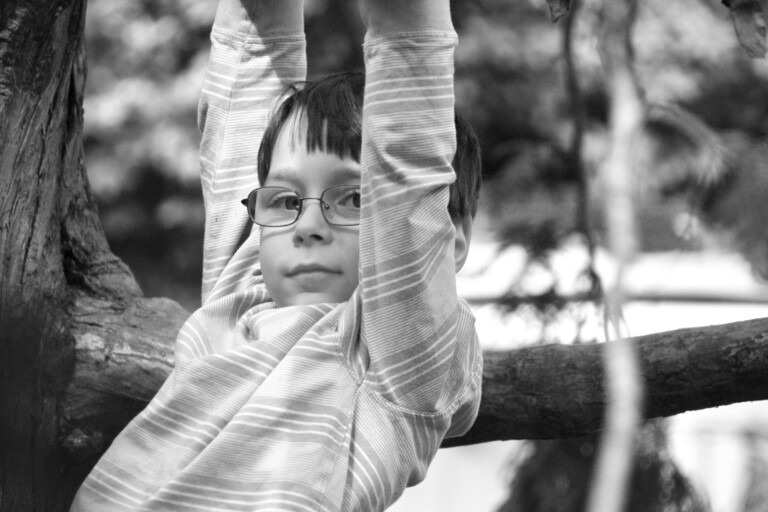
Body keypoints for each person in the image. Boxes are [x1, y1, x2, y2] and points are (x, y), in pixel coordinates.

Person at [70, 0, 482, 510]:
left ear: (448, 243)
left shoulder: (394, 356)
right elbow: (248, 77)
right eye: (286, 200)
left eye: (354, 198)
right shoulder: (242, 299)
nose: (306, 225)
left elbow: (408, 157)